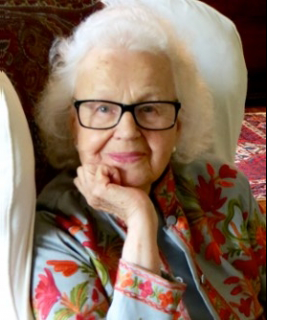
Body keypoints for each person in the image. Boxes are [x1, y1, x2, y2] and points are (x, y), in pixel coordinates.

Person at [31, 2, 266, 319]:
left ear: (178, 124)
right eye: (102, 108)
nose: (127, 132)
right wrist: (140, 219)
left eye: (151, 108)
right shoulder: (56, 234)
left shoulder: (224, 187)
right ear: (73, 125)